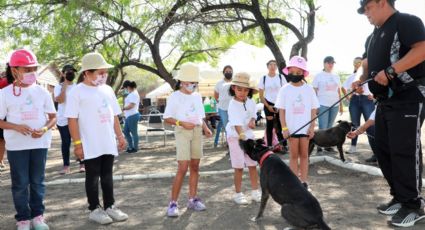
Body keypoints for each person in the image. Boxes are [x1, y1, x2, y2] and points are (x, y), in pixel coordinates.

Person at [356, 0, 425, 227]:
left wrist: (392, 70)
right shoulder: (374, 34)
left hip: (409, 96)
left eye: (367, 8)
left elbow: (422, 49)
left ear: (381, 2)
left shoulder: (406, 22)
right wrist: (360, 78)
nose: (365, 13)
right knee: (384, 148)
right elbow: (367, 62)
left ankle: (414, 205)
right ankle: (399, 196)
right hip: (385, 100)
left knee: (404, 150)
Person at [65, 52, 128, 225]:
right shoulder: (77, 92)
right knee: (92, 176)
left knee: (107, 175)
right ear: (86, 73)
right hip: (89, 142)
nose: (103, 76)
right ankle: (94, 209)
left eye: (104, 72)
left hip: (107, 141)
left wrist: (120, 136)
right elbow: (72, 119)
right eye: (99, 73)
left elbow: (114, 115)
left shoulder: (107, 90)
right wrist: (78, 144)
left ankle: (110, 206)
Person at [0, 49, 56, 230]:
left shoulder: (42, 92)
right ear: (15, 70)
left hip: (40, 144)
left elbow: (53, 116)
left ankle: (37, 217)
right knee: (20, 183)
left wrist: (45, 128)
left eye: (34, 69)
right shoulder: (4, 93)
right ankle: (23, 219)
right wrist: (16, 127)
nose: (32, 73)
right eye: (27, 69)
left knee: (38, 181)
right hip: (17, 146)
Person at [163, 62, 212, 217]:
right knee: (183, 167)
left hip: (197, 131)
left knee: (195, 166)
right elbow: (167, 118)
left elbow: (200, 117)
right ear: (183, 82)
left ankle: (193, 199)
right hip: (182, 132)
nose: (194, 85)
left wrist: (205, 128)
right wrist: (181, 123)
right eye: (192, 82)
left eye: (196, 82)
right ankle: (173, 203)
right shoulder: (174, 96)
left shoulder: (197, 96)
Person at [275, 56, 319, 190]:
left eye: (299, 73)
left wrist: (312, 127)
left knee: (305, 155)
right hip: (292, 129)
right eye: (293, 72)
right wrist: (284, 128)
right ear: (288, 72)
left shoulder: (309, 89)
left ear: (303, 73)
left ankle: (304, 181)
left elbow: (313, 109)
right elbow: (281, 111)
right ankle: (294, 183)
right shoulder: (284, 89)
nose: (295, 75)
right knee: (293, 156)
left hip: (305, 129)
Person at [226, 72, 261, 205]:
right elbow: (236, 125)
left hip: (248, 136)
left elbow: (253, 114)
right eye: (239, 89)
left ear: (249, 91)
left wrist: (252, 120)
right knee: (239, 166)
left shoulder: (251, 101)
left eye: (245, 90)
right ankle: (238, 193)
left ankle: (255, 191)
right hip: (236, 137)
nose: (242, 92)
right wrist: (243, 137)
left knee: (252, 164)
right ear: (233, 88)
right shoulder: (232, 104)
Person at [342, 57, 377, 163]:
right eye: (356, 62)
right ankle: (353, 147)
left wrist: (373, 96)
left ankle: (376, 153)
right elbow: (343, 87)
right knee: (354, 124)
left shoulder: (369, 75)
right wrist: (348, 97)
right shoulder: (352, 77)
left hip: (367, 100)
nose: (358, 64)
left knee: (370, 125)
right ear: (353, 65)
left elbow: (378, 88)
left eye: (360, 62)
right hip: (355, 101)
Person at [54, 64, 85, 174]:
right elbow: (60, 100)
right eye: (68, 71)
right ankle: (66, 166)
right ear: (63, 73)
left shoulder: (78, 86)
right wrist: (65, 86)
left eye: (72, 71)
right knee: (66, 143)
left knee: (79, 142)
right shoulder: (58, 86)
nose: (71, 72)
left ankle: (82, 163)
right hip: (63, 119)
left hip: (76, 119)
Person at [312, 56, 343, 152]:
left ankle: (327, 146)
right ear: (324, 63)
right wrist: (315, 106)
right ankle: (319, 145)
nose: (331, 65)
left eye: (332, 63)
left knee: (330, 127)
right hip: (322, 104)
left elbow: (339, 91)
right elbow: (314, 92)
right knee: (323, 126)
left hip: (335, 105)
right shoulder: (318, 76)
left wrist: (341, 105)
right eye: (329, 63)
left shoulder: (336, 76)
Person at [258, 60, 287, 149]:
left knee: (280, 124)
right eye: (271, 65)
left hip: (279, 104)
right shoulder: (263, 78)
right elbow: (261, 96)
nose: (273, 66)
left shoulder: (281, 77)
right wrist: (268, 106)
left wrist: (280, 105)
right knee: (270, 125)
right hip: (268, 103)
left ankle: (283, 144)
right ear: (267, 66)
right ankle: (269, 146)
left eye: (275, 65)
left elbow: (285, 92)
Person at [213, 65, 233, 148]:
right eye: (227, 71)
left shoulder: (235, 82)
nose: (228, 73)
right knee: (226, 126)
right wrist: (221, 102)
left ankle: (233, 144)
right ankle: (230, 145)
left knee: (233, 126)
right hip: (223, 108)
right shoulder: (219, 83)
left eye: (230, 71)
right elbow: (216, 95)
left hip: (233, 108)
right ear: (223, 72)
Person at [122, 80, 141, 153]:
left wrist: (123, 108)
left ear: (128, 87)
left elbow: (131, 105)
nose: (125, 90)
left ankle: (134, 148)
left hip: (133, 115)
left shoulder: (133, 94)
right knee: (126, 131)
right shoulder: (132, 94)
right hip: (129, 116)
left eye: (125, 88)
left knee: (134, 133)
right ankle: (130, 146)